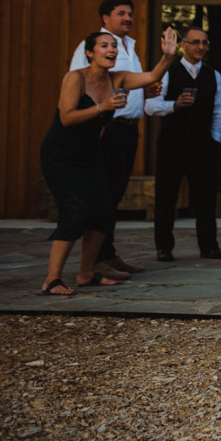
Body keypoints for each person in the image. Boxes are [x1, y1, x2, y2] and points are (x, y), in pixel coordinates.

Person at [42, 28, 178, 294]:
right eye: (104, 46)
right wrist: (101, 108)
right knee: (75, 212)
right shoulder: (75, 78)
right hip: (61, 154)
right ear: (90, 53)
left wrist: (168, 57)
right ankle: (52, 280)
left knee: (104, 212)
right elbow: (67, 118)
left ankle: (86, 273)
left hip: (90, 153)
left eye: (114, 46)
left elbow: (151, 76)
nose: (112, 50)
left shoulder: (118, 78)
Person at [69, 0, 152, 279]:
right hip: (106, 128)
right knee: (102, 196)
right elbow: (79, 82)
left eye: (130, 13)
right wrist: (96, 122)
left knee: (114, 196)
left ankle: (109, 254)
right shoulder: (91, 46)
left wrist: (146, 92)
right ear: (105, 19)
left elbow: (127, 84)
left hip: (128, 129)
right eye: (121, 14)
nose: (127, 18)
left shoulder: (130, 47)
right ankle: (96, 261)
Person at [145, 26, 221, 261]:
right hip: (172, 143)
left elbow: (220, 109)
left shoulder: (214, 75)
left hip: (203, 144)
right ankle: (164, 247)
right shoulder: (167, 72)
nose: (201, 47)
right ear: (183, 45)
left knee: (205, 197)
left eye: (204, 42)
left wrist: (215, 138)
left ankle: (209, 245)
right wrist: (174, 105)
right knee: (166, 196)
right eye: (195, 42)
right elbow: (150, 107)